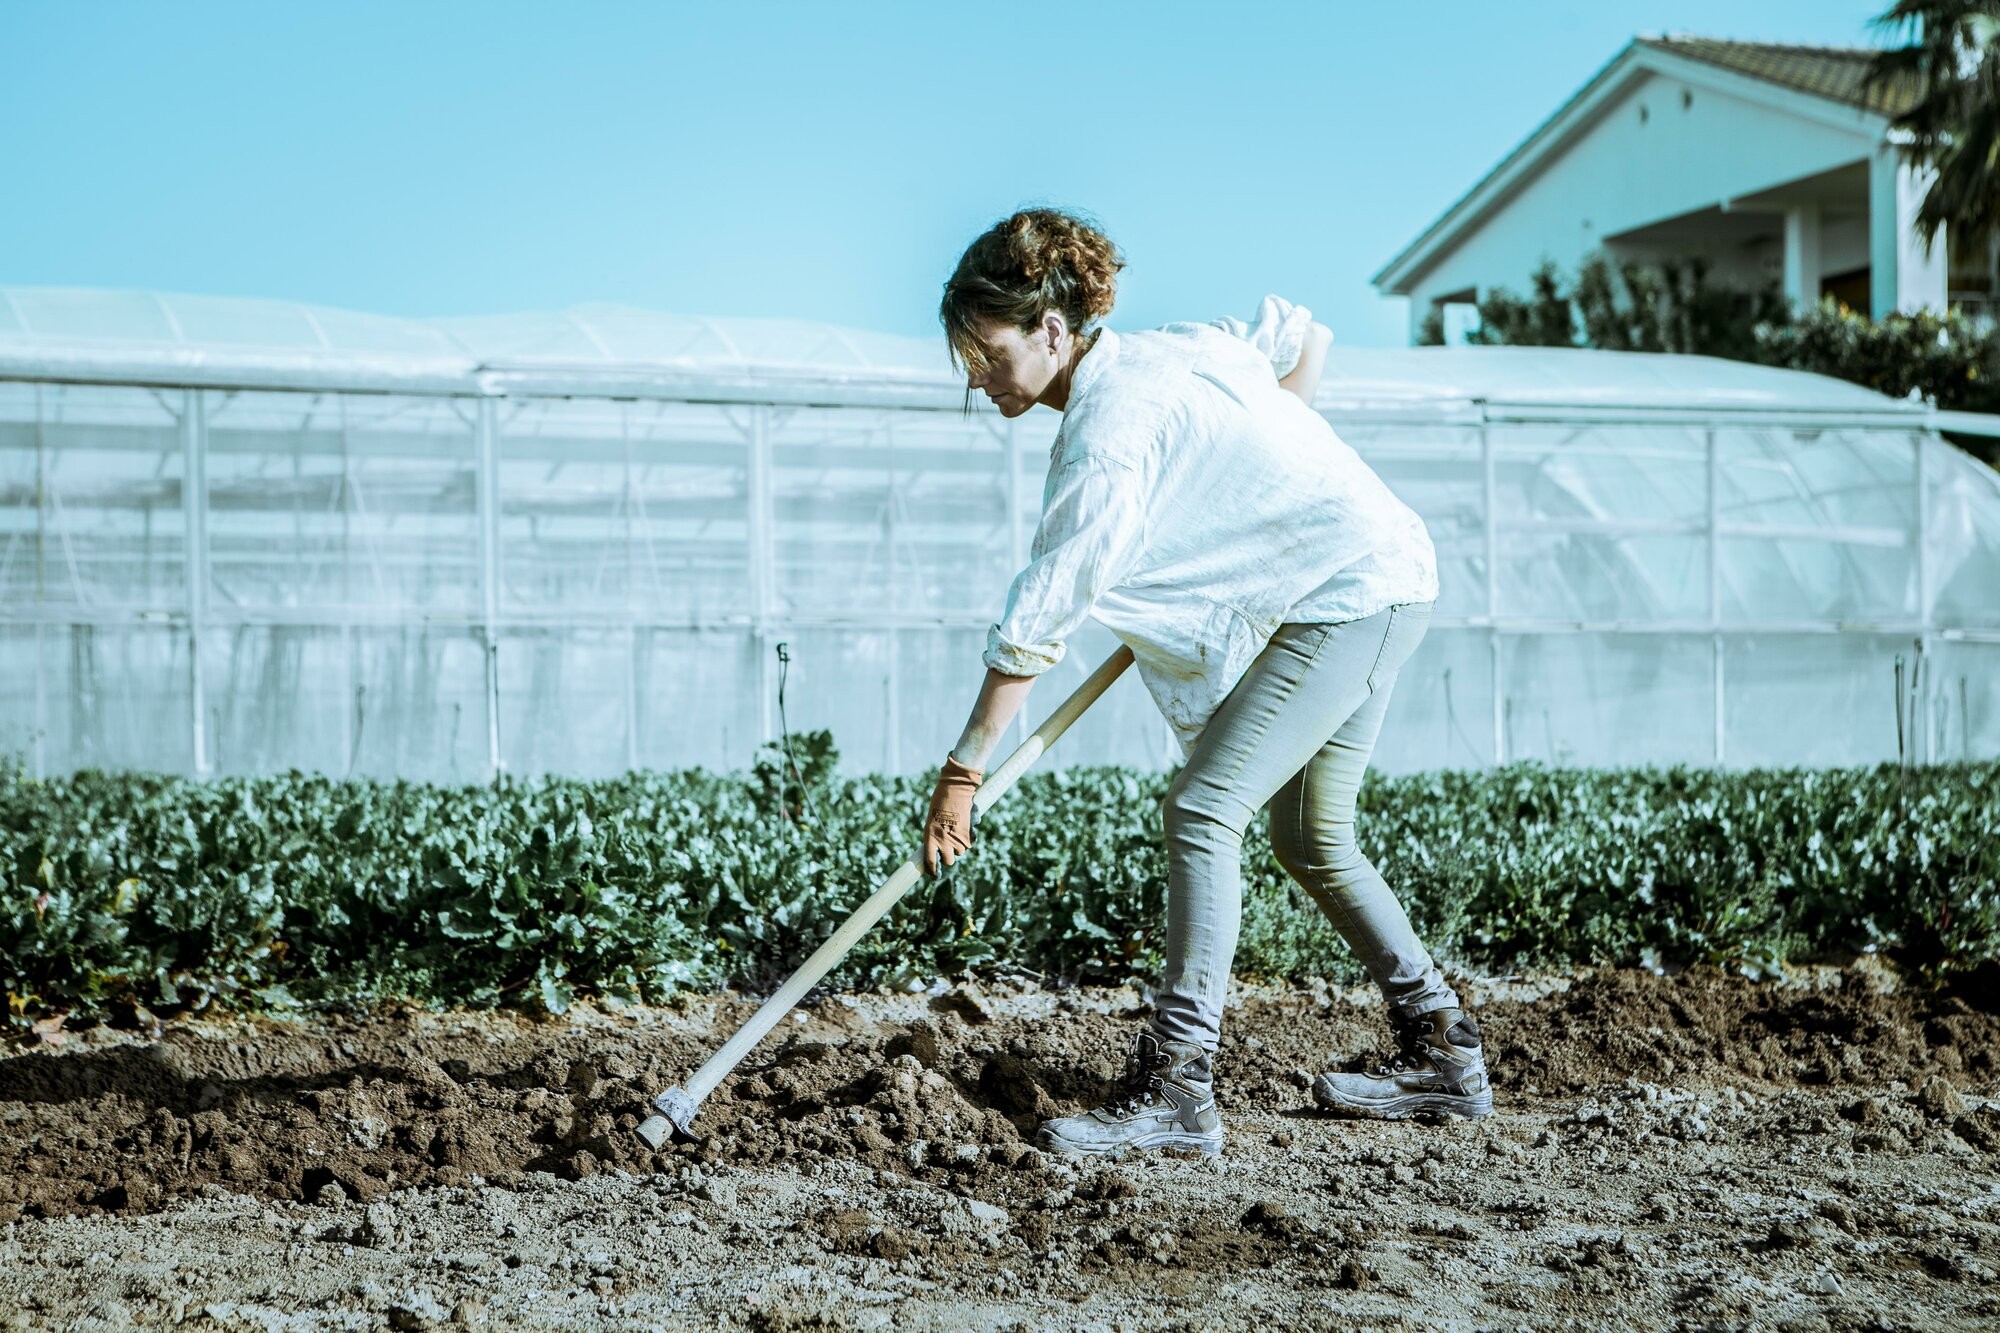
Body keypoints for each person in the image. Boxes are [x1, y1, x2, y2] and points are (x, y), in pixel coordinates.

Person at [921, 207, 1491, 1158]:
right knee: (1310, 832)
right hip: (1379, 573)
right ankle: (1445, 1052)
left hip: (1350, 591)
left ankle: (1182, 1092)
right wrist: (1274, 465)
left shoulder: (1107, 431)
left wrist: (964, 770)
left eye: (988, 351)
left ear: (1052, 331)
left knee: (1203, 809)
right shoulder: (1178, 348)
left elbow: (1042, 612)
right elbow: (1303, 330)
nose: (977, 376)